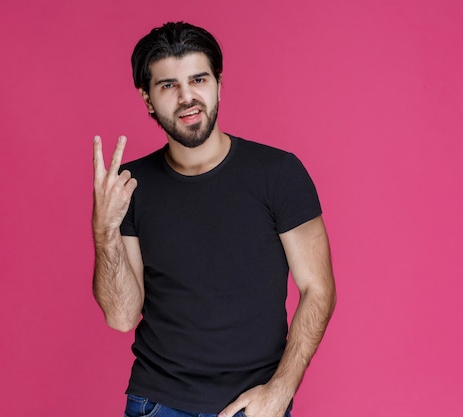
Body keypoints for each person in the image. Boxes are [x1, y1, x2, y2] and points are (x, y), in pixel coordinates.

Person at [92, 22, 336, 417]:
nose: (187, 97)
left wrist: (281, 390)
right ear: (148, 99)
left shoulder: (278, 174)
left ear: (218, 84)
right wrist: (105, 232)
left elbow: (318, 290)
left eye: (198, 79)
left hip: (254, 404)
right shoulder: (129, 188)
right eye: (168, 85)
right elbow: (121, 317)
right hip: (158, 403)